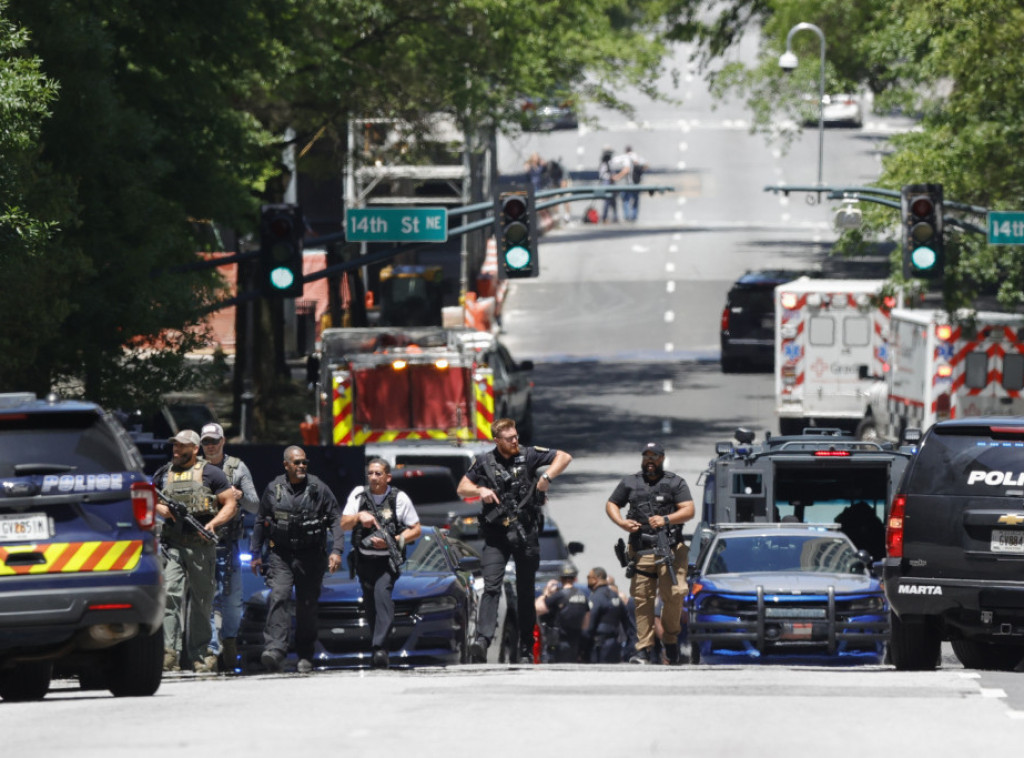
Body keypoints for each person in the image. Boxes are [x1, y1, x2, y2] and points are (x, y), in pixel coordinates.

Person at [458, 418, 573, 663]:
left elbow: (564, 456)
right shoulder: (485, 462)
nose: (515, 442)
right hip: (496, 535)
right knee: (490, 586)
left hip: (525, 533)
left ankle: (525, 647)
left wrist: (547, 478)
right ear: (497, 440)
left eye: (516, 437)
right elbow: (462, 487)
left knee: (524, 591)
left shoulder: (529, 455)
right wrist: (480, 490)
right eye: (509, 439)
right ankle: (482, 640)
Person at [250, 445, 343, 674]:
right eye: (297, 462)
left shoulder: (319, 488)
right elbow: (261, 521)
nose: (302, 466)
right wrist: (255, 554)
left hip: (311, 555)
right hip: (280, 554)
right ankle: (275, 650)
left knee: (307, 606)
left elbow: (335, 519)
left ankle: (305, 654)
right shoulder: (273, 489)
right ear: (286, 465)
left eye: (304, 462)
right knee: (279, 596)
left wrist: (337, 550)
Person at [153, 430, 237, 673]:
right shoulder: (163, 473)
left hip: (201, 546)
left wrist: (212, 524)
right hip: (173, 544)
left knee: (202, 601)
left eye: (182, 447)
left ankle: (201, 654)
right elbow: (146, 497)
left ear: (195, 449)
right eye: (175, 446)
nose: (176, 451)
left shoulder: (211, 473)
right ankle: (169, 653)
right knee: (170, 595)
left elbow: (230, 503)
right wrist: (161, 508)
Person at [605, 441, 694, 664]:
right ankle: (643, 649)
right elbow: (612, 503)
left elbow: (689, 510)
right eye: (646, 456)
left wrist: (666, 519)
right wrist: (622, 523)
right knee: (642, 599)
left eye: (654, 457)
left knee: (675, 594)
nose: (650, 461)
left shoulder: (675, 483)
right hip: (642, 548)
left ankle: (671, 640)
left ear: (662, 459)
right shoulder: (630, 482)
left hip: (671, 549)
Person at [340, 457, 422, 669]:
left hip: (387, 561)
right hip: (363, 560)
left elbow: (416, 529)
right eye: (371, 473)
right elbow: (342, 524)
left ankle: (379, 648)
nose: (374, 477)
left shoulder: (399, 498)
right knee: (370, 605)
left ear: (388, 477)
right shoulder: (358, 495)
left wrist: (391, 540)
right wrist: (359, 517)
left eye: (378, 474)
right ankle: (380, 650)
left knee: (382, 594)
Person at [198, 422, 259, 672]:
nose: (210, 446)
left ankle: (230, 643)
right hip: (200, 544)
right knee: (206, 600)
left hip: (229, 543)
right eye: (206, 442)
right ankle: (211, 650)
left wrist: (239, 496)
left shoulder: (237, 468)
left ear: (223, 442)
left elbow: (256, 505)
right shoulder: (193, 469)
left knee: (232, 600)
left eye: (214, 441)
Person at [535, 565, 589, 663]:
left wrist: (546, 593)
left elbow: (538, 608)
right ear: (574, 578)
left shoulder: (560, 595)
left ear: (561, 579)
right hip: (576, 640)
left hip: (559, 641)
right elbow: (586, 623)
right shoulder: (582, 595)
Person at [586, 566, 632, 663]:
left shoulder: (596, 597)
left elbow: (590, 624)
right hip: (615, 645)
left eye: (589, 577)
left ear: (596, 578)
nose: (587, 580)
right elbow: (627, 621)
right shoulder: (615, 596)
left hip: (599, 646)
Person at [598, 146, 629, 223]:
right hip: (607, 183)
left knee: (614, 201)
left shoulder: (610, 163)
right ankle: (605, 218)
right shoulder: (604, 164)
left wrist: (615, 177)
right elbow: (602, 175)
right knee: (607, 201)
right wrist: (610, 177)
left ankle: (615, 217)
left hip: (612, 183)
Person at [620, 146, 648, 222]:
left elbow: (626, 170)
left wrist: (617, 177)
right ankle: (631, 216)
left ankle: (629, 216)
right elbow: (646, 165)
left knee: (628, 200)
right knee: (632, 200)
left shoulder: (629, 158)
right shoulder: (635, 157)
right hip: (634, 183)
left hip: (631, 183)